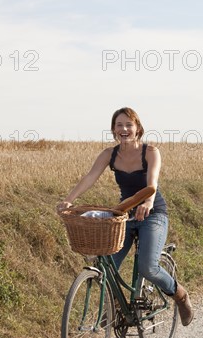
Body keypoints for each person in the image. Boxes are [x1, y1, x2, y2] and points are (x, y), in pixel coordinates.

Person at [56, 107, 193, 326]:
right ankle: (116, 307)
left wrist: (148, 202)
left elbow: (152, 183)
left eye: (129, 124)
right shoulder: (109, 154)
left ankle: (180, 295)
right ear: (113, 130)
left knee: (148, 267)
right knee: (107, 266)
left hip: (153, 213)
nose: (124, 129)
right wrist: (69, 199)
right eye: (119, 125)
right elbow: (90, 177)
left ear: (138, 128)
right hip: (124, 215)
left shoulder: (150, 152)